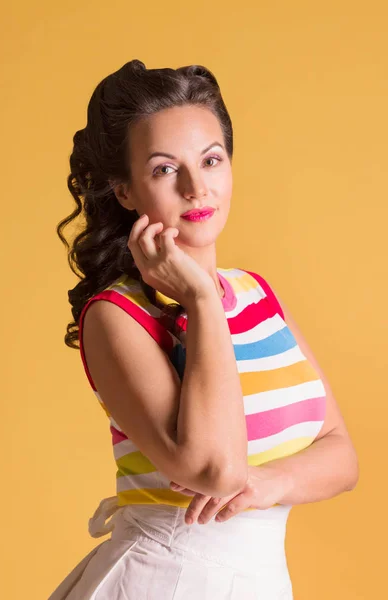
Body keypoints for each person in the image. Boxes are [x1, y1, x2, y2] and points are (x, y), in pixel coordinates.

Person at [49, 59, 356, 599]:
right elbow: (213, 470)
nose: (197, 187)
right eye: (165, 169)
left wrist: (271, 484)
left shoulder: (256, 294)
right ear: (124, 192)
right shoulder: (116, 315)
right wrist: (200, 300)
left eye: (211, 160)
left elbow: (341, 454)